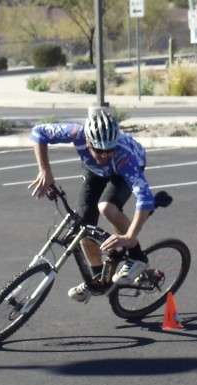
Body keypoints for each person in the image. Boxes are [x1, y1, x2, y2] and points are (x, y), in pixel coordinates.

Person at [28, 107, 155, 303]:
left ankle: (137, 256)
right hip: (94, 172)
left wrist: (129, 236)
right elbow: (39, 132)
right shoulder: (76, 133)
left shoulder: (123, 156)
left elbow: (146, 199)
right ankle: (98, 279)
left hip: (121, 171)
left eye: (109, 150)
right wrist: (45, 170)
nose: (104, 155)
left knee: (106, 207)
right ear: (87, 141)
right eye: (98, 150)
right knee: (83, 225)